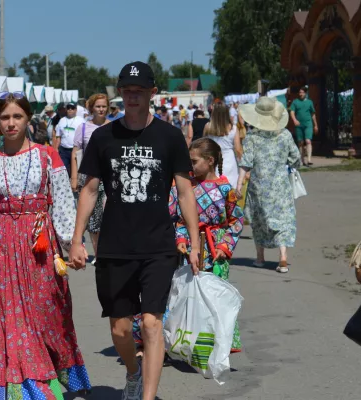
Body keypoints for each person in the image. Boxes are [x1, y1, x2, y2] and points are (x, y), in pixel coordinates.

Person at [69, 61, 201, 400]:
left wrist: (195, 241)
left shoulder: (170, 136)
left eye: (139, 91)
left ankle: (148, 396)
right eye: (127, 91)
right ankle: (133, 372)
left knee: (152, 323)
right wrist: (76, 239)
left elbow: (186, 193)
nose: (132, 97)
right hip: (114, 245)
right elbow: (89, 190)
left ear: (151, 93)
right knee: (121, 328)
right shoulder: (103, 137)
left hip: (159, 245)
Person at [0, 91, 92, 398]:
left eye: (17, 116)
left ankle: (60, 372)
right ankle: (27, 386)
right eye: (5, 117)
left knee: (48, 309)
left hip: (40, 243)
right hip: (3, 247)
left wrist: (72, 244)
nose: (11, 123)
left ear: (27, 119)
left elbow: (63, 202)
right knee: (9, 316)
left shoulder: (47, 155)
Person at [171, 137, 245, 352]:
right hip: (190, 252)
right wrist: (182, 238)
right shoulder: (185, 187)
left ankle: (222, 342)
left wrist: (225, 246)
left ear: (210, 160)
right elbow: (180, 218)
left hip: (215, 250)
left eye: (194, 162)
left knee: (215, 296)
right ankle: (194, 340)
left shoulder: (226, 190)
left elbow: (236, 220)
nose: (190, 166)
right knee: (190, 295)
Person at [236, 96, 301, 273]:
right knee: (283, 219)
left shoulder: (252, 137)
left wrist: (239, 184)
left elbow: (245, 163)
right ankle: (283, 257)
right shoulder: (285, 135)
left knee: (259, 220)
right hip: (280, 185)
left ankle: (260, 257)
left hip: (258, 186)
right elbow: (296, 159)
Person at [71, 93, 110, 262]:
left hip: (110, 177)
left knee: (109, 217)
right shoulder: (84, 128)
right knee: (94, 220)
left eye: (103, 106)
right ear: (91, 108)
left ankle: (110, 251)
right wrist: (74, 177)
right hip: (89, 177)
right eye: (98, 106)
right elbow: (75, 153)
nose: (101, 109)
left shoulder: (114, 126)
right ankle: (99, 253)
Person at [204, 103, 243, 186]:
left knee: (214, 186)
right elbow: (238, 149)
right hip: (229, 158)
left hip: (213, 158)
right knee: (230, 187)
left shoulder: (208, 126)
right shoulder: (233, 128)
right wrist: (243, 166)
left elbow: (204, 144)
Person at [289, 87, 318, 166]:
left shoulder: (309, 102)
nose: (300, 94)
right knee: (301, 142)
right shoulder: (295, 102)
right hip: (299, 124)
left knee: (308, 141)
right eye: (300, 92)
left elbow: (313, 114)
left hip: (308, 124)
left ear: (305, 93)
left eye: (302, 92)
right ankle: (302, 159)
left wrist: (315, 125)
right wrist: (295, 120)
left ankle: (309, 159)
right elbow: (292, 112)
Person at [54, 102, 85, 175]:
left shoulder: (81, 120)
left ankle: (75, 185)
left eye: (72, 108)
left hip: (76, 150)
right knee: (64, 170)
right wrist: (55, 149)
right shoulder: (62, 120)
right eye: (68, 108)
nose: (70, 110)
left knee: (77, 171)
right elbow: (58, 136)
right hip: (63, 150)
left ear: (76, 110)